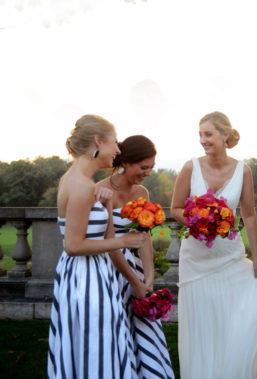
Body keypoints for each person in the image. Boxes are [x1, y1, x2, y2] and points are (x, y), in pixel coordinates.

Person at [47, 114, 148, 378]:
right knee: (97, 345)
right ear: (97, 141)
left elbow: (88, 231)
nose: (117, 150)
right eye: (114, 142)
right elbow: (72, 245)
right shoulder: (81, 186)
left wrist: (103, 204)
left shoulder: (82, 183)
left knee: (91, 345)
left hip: (89, 274)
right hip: (85, 279)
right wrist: (124, 241)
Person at [171, 111, 257, 379]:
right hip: (195, 257)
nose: (203, 140)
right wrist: (198, 222)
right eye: (200, 135)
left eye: (208, 134)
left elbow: (248, 214)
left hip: (229, 255)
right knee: (201, 323)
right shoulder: (190, 167)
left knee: (232, 317)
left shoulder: (243, 170)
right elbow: (176, 208)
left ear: (225, 135)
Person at [96, 135, 174, 379]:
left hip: (137, 271)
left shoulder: (142, 191)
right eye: (144, 167)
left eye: (151, 167)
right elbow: (109, 244)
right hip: (111, 271)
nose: (148, 172)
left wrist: (148, 278)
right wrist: (133, 282)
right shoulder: (101, 191)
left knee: (144, 328)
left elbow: (145, 237)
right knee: (116, 330)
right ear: (126, 162)